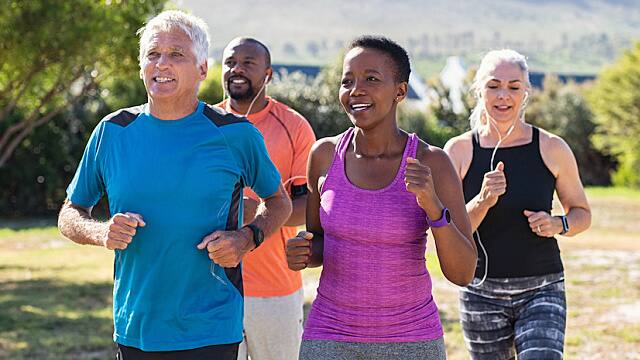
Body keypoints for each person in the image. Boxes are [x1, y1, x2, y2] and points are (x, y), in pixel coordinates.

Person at [57, 10, 292, 359]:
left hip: (212, 326)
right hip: (135, 326)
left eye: (177, 54)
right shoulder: (112, 132)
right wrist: (101, 232)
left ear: (202, 69)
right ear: (141, 67)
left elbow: (278, 201)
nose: (162, 64)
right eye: (153, 54)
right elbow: (69, 213)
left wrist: (247, 237)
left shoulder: (235, 134)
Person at [285, 36, 477, 360]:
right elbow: (319, 242)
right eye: (347, 81)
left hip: (411, 340)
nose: (355, 90)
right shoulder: (324, 155)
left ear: (400, 91)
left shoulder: (432, 162)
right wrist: (304, 252)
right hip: (329, 336)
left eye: (371, 79)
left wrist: (432, 205)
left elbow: (463, 273)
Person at [443, 49, 592, 360]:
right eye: (494, 86)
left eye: (513, 87)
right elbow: (451, 233)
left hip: (542, 288)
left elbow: (582, 213)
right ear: (479, 90)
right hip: (480, 292)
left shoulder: (552, 148)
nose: (503, 96)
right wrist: (483, 200)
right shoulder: (458, 151)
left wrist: (558, 224)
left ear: (526, 93)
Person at [215, 37, 316, 360]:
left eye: (248, 63)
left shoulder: (294, 127)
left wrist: (257, 213)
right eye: (230, 62)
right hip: (211, 287)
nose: (237, 70)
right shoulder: (202, 125)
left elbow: (307, 206)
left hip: (275, 289)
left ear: (268, 74)